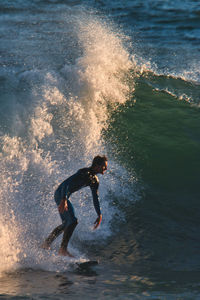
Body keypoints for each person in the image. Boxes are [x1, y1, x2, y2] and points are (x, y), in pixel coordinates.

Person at [42, 155, 108, 257]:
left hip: (64, 197)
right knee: (73, 221)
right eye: (104, 166)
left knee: (66, 224)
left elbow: (95, 198)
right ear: (96, 166)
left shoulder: (95, 181)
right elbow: (66, 184)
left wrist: (99, 214)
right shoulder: (83, 173)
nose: (106, 169)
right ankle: (63, 250)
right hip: (61, 194)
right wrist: (63, 199)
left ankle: (46, 244)